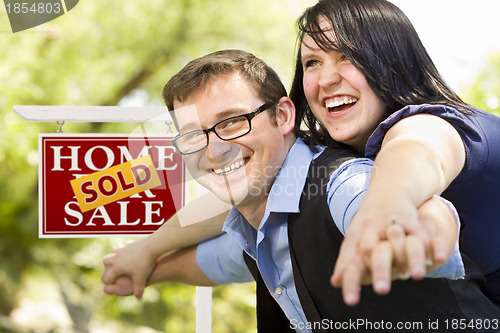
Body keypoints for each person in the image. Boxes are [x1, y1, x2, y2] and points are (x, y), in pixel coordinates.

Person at [103, 50, 500, 332]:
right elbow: (223, 261)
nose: (215, 148)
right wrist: (147, 266)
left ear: (283, 115)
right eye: (193, 134)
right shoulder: (262, 221)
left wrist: (415, 231)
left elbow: (392, 210)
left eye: (232, 122)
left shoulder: (340, 185)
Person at [287, 0, 500, 307]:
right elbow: (260, 183)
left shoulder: (437, 124)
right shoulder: (334, 154)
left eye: (347, 55)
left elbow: (417, 150)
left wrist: (385, 207)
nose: (326, 79)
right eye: (312, 63)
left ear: (392, 59)